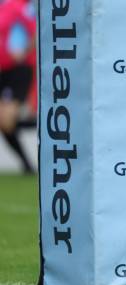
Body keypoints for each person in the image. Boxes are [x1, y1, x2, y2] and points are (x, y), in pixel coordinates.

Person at [0, 0, 36, 173]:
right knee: (4, 123)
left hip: (18, 70)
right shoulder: (5, 6)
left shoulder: (23, 6)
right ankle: (27, 166)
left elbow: (37, 29)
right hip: (3, 71)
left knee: (6, 119)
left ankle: (40, 122)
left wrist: (25, 50)